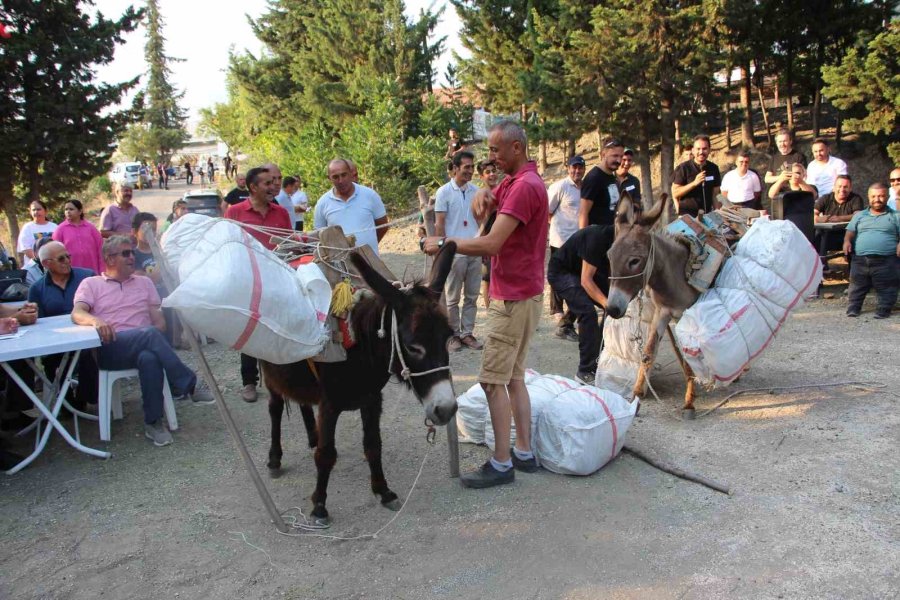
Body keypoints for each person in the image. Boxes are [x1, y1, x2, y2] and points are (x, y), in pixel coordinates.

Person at [423, 121, 548, 488]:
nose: (489, 159)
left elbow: (491, 244)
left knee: (492, 382)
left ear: (516, 148)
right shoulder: (515, 182)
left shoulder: (524, 187)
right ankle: (523, 452)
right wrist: (484, 197)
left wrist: (446, 243)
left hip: (511, 299)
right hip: (525, 294)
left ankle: (502, 462)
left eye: (495, 150)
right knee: (514, 378)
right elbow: (489, 213)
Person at [71, 236, 214, 446]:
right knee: (148, 334)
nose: (132, 257)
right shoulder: (91, 284)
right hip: (111, 348)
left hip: (144, 344)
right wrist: (97, 321)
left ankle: (153, 422)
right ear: (109, 259)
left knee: (150, 358)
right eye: (126, 253)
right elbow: (76, 313)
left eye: (132, 252)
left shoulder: (144, 283)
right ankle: (188, 384)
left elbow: (160, 325)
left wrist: (149, 334)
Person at [224, 167, 292, 402]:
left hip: (277, 280)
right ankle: (249, 382)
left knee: (277, 327)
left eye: (275, 182)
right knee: (251, 329)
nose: (273, 186)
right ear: (253, 187)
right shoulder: (234, 212)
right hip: (248, 281)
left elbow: (289, 244)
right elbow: (227, 245)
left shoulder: (281, 212)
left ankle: (280, 379)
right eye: (267, 183)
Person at [27, 241, 98, 412]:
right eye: (61, 258)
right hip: (57, 342)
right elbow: (38, 323)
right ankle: (66, 403)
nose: (67, 260)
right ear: (46, 263)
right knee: (51, 362)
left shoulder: (87, 277)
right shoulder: (37, 289)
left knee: (88, 354)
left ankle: (88, 396)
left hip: (88, 337)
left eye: (68, 256)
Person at [547, 225, 614, 383]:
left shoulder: (622, 241)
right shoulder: (597, 238)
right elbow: (586, 280)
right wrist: (606, 304)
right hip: (561, 272)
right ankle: (585, 370)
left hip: (579, 272)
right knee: (587, 312)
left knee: (613, 306)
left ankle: (603, 358)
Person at [435, 150, 482, 352]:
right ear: (455, 168)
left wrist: (482, 241)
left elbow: (482, 219)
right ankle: (453, 334)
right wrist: (442, 250)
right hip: (454, 252)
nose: (471, 171)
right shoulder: (443, 192)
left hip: (475, 249)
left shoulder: (476, 191)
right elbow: (440, 224)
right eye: (467, 167)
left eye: (472, 167)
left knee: (472, 296)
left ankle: (467, 333)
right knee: (453, 297)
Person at [842, 183, 899, 319]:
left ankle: (884, 310)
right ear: (868, 197)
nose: (877, 199)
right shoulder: (860, 215)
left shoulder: (896, 216)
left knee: (887, 287)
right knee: (856, 287)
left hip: (886, 260)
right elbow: (850, 232)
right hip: (860, 259)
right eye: (873, 196)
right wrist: (847, 241)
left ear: (887, 197)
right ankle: (853, 308)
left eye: (881, 196)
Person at [314, 158, 389, 255]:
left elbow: (383, 226)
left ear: (351, 173)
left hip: (371, 261)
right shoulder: (322, 203)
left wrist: (369, 247)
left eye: (344, 175)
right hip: (340, 264)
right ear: (329, 178)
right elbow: (320, 236)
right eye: (335, 177)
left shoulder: (370, 195)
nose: (341, 181)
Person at [547, 156, 586, 342]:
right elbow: (547, 211)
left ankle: (566, 318)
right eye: (574, 168)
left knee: (576, 278)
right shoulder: (560, 187)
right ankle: (557, 310)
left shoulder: (585, 188)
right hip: (560, 240)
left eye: (580, 168)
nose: (577, 171)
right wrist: (556, 230)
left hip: (578, 241)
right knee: (558, 277)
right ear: (568, 168)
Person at [814, 175, 864, 262]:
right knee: (819, 234)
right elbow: (813, 213)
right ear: (834, 187)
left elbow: (858, 215)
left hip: (848, 233)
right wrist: (818, 218)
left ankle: (853, 269)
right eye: (839, 186)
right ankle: (822, 266)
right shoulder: (826, 198)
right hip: (828, 234)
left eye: (845, 187)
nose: (842, 189)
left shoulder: (856, 199)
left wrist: (840, 218)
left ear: (850, 188)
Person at [579, 138, 625, 228]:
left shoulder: (612, 177)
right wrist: (584, 238)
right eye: (615, 156)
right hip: (596, 237)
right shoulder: (594, 178)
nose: (619, 161)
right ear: (603, 154)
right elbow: (583, 213)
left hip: (611, 235)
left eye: (621, 156)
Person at [672, 134, 722, 217]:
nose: (701, 152)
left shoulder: (714, 168)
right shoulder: (683, 168)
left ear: (709, 150)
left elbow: (715, 195)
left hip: (707, 216)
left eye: (704, 149)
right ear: (693, 150)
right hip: (687, 217)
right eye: (698, 149)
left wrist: (718, 215)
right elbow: (675, 193)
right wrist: (694, 183)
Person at [52, 199, 103, 274]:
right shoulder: (60, 229)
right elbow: (55, 252)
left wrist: (102, 270)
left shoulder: (90, 228)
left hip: (92, 271)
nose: (68, 212)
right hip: (71, 273)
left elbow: (101, 249)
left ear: (80, 211)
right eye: (66, 209)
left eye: (71, 209)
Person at [476, 160, 500, 308]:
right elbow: (480, 222)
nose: (492, 174)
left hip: (504, 242)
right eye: (487, 172)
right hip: (487, 242)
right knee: (487, 279)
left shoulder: (505, 191)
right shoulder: (480, 196)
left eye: (493, 171)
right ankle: (490, 310)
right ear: (481, 176)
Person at [16, 199, 57, 268]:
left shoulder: (54, 227)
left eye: (38, 209)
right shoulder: (27, 228)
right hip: (34, 266)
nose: (36, 212)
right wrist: (41, 261)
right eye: (33, 210)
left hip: (54, 264)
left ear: (45, 211)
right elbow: (26, 249)